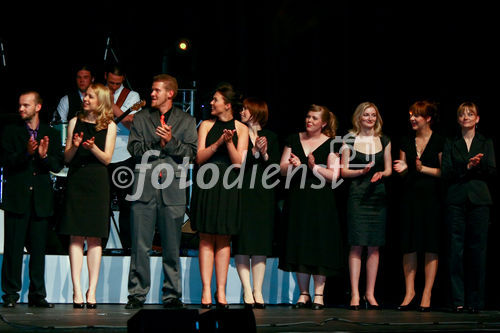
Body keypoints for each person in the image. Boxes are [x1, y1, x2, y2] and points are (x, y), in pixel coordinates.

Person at [125, 74, 197, 309]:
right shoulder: (141, 118)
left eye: (157, 90)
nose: (152, 94)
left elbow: (191, 153)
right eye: (152, 90)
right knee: (140, 245)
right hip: (144, 187)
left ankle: (172, 295)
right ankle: (137, 294)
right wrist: (157, 144)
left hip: (173, 189)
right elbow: (134, 149)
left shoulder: (186, 120)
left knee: (172, 246)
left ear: (170, 93)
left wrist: (171, 142)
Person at [1, 91, 64, 308]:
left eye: (26, 105)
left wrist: (44, 156)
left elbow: (57, 166)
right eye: (20, 105)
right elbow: (6, 163)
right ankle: (10, 294)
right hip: (17, 198)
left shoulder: (51, 133)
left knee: (38, 249)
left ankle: (38, 294)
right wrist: (27, 153)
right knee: (13, 249)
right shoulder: (11, 131)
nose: (21, 109)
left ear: (38, 107)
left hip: (40, 199)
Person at [279, 104, 343, 310]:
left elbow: (334, 176)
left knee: (319, 244)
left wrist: (313, 167)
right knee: (300, 243)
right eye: (308, 117)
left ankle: (319, 294)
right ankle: (303, 293)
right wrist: (294, 166)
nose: (309, 121)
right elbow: (281, 170)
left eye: (314, 118)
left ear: (323, 123)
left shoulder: (332, 144)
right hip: (298, 198)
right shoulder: (293, 139)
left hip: (321, 200)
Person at [190, 82, 249, 309]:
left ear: (227, 104)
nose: (212, 103)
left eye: (216, 100)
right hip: (207, 181)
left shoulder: (241, 129)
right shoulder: (205, 124)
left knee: (224, 238)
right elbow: (199, 158)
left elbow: (238, 163)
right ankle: (206, 290)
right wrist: (218, 142)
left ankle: (221, 291)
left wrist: (230, 142)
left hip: (228, 182)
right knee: (205, 237)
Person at [59, 83, 117, 308]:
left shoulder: (109, 126)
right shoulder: (75, 122)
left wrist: (92, 147)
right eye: (85, 95)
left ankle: (91, 291)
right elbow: (66, 158)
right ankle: (76, 291)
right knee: (75, 236)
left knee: (94, 237)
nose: (85, 98)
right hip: (77, 179)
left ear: (100, 100)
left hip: (97, 181)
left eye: (91, 96)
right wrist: (74, 146)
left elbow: (107, 158)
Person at [441, 102, 496, 314]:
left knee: (478, 251)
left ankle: (476, 300)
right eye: (462, 114)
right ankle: (458, 300)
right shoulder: (451, 142)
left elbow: (491, 171)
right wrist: (466, 166)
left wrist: (477, 165)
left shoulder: (485, 142)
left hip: (479, 201)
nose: (466, 117)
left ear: (477, 118)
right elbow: (446, 172)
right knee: (456, 251)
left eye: (470, 114)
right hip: (456, 200)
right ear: (458, 119)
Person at [393, 101, 445, 312]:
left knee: (431, 245)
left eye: (417, 115)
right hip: (410, 198)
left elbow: (444, 172)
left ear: (428, 118)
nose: (412, 118)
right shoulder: (406, 141)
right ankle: (410, 292)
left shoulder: (440, 141)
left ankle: (427, 292)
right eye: (411, 115)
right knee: (410, 244)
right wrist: (402, 168)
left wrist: (423, 169)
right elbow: (403, 170)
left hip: (432, 199)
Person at [340, 102, 392, 310]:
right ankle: (354, 293)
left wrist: (382, 173)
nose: (370, 118)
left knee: (374, 245)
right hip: (357, 195)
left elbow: (388, 169)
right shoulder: (349, 140)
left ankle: (370, 293)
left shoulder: (385, 140)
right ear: (359, 118)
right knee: (356, 244)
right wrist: (361, 172)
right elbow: (343, 171)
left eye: (373, 115)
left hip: (377, 197)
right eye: (366, 115)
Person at [232, 97, 279, 309]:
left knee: (260, 242)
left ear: (256, 112)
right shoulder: (238, 134)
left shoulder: (271, 136)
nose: (241, 112)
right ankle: (246, 289)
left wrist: (265, 153)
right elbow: (237, 164)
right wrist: (253, 153)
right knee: (243, 241)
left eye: (245, 109)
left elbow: (275, 168)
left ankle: (258, 289)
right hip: (242, 191)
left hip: (263, 193)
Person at [105, 64, 142, 252]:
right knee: (102, 205)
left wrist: (113, 106)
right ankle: (99, 246)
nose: (113, 87)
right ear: (105, 77)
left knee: (126, 204)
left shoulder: (132, 96)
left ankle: (128, 248)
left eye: (117, 83)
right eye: (110, 83)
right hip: (102, 154)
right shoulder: (97, 92)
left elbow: (132, 124)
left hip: (124, 155)